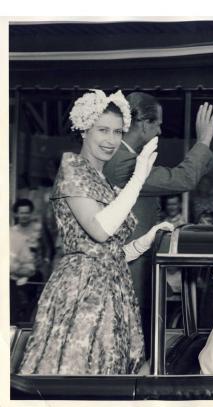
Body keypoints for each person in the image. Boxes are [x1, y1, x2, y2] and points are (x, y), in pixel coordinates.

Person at [19, 89, 173, 375]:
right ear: (83, 130)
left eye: (117, 132)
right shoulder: (73, 169)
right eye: (102, 130)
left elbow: (108, 252)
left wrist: (143, 243)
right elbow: (100, 231)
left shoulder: (100, 179)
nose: (111, 140)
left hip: (114, 290)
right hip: (82, 293)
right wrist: (139, 176)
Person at [103, 92, 213, 357]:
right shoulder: (122, 163)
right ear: (143, 124)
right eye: (158, 124)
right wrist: (203, 140)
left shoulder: (122, 157)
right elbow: (182, 179)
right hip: (129, 269)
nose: (160, 130)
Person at [10, 198, 51, 322]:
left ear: (31, 213)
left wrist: (45, 263)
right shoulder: (12, 232)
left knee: (33, 305)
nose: (24, 216)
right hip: (16, 273)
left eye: (27, 212)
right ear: (16, 214)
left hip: (36, 273)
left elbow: (48, 248)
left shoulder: (38, 228)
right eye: (21, 213)